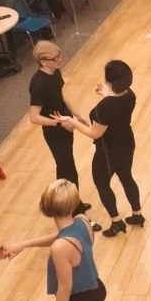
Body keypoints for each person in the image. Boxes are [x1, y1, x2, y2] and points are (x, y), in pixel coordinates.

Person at [54, 60, 144, 237]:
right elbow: (116, 106)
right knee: (126, 177)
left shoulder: (105, 107)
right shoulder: (130, 95)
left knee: (102, 184)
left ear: (110, 81)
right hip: (127, 143)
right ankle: (137, 214)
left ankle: (116, 222)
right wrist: (107, 93)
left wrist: (72, 121)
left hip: (108, 151)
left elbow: (95, 133)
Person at [28, 40, 98, 222]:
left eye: (60, 56)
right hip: (55, 132)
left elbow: (60, 96)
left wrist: (75, 115)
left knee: (69, 168)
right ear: (43, 61)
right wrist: (60, 123)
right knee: (67, 171)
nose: (60, 60)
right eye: (56, 58)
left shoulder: (55, 72)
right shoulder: (38, 84)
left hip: (66, 124)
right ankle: (72, 210)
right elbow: (34, 117)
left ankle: (73, 204)